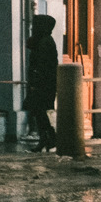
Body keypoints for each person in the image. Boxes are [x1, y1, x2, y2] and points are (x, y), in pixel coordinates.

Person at [24, 14, 60, 152]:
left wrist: (35, 83)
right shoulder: (43, 40)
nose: (33, 27)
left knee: (40, 111)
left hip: (42, 85)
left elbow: (42, 66)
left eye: (35, 24)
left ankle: (49, 138)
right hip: (44, 84)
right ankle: (46, 139)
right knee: (39, 112)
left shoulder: (45, 42)